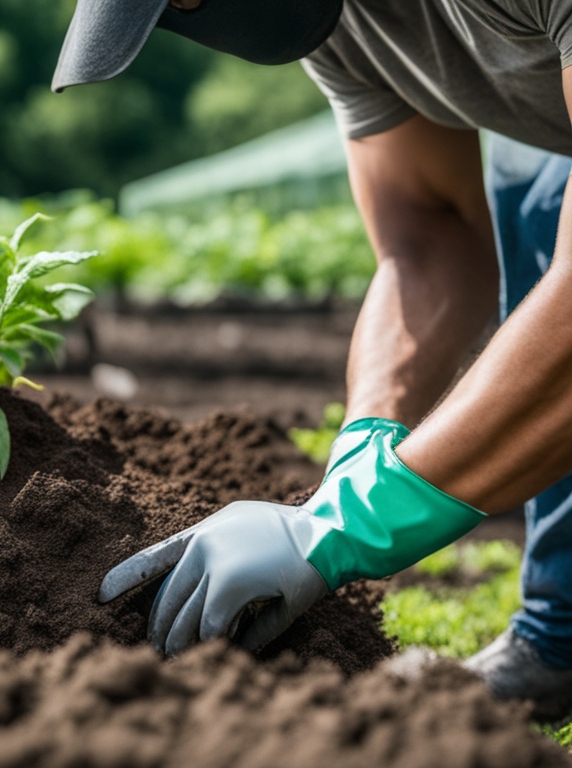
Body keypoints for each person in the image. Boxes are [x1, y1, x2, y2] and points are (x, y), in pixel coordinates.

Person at [54, 0, 572, 722]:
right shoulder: (344, 29)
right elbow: (429, 232)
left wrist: (351, 523)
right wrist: (367, 445)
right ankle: (562, 637)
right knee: (537, 177)